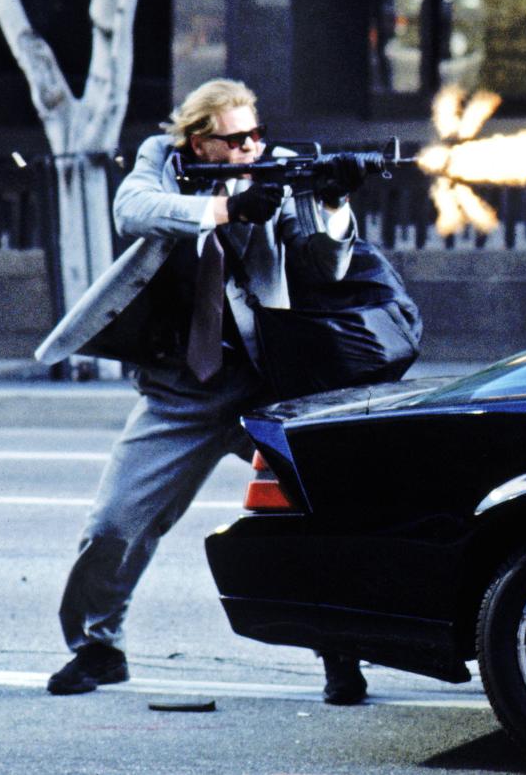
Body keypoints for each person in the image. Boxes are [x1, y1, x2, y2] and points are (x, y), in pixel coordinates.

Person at [34, 79, 371, 705]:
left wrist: (332, 204)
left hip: (264, 387)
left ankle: (340, 652)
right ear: (198, 142)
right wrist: (224, 210)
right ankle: (98, 648)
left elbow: (326, 266)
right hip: (179, 391)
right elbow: (132, 209)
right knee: (113, 525)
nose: (251, 148)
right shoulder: (162, 162)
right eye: (235, 139)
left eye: (256, 135)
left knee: (319, 515)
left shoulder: (277, 171)